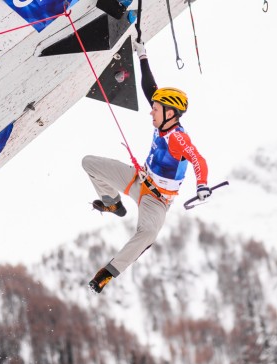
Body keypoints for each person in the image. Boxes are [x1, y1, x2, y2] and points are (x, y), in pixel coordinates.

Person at [84, 40, 210, 294]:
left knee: (148, 234)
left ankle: (107, 273)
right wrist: (142, 56)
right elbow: (148, 87)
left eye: (155, 109)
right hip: (138, 181)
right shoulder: (163, 123)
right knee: (89, 163)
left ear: (170, 113)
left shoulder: (178, 138)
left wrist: (202, 185)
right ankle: (112, 203)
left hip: (157, 201)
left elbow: (198, 160)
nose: (151, 113)